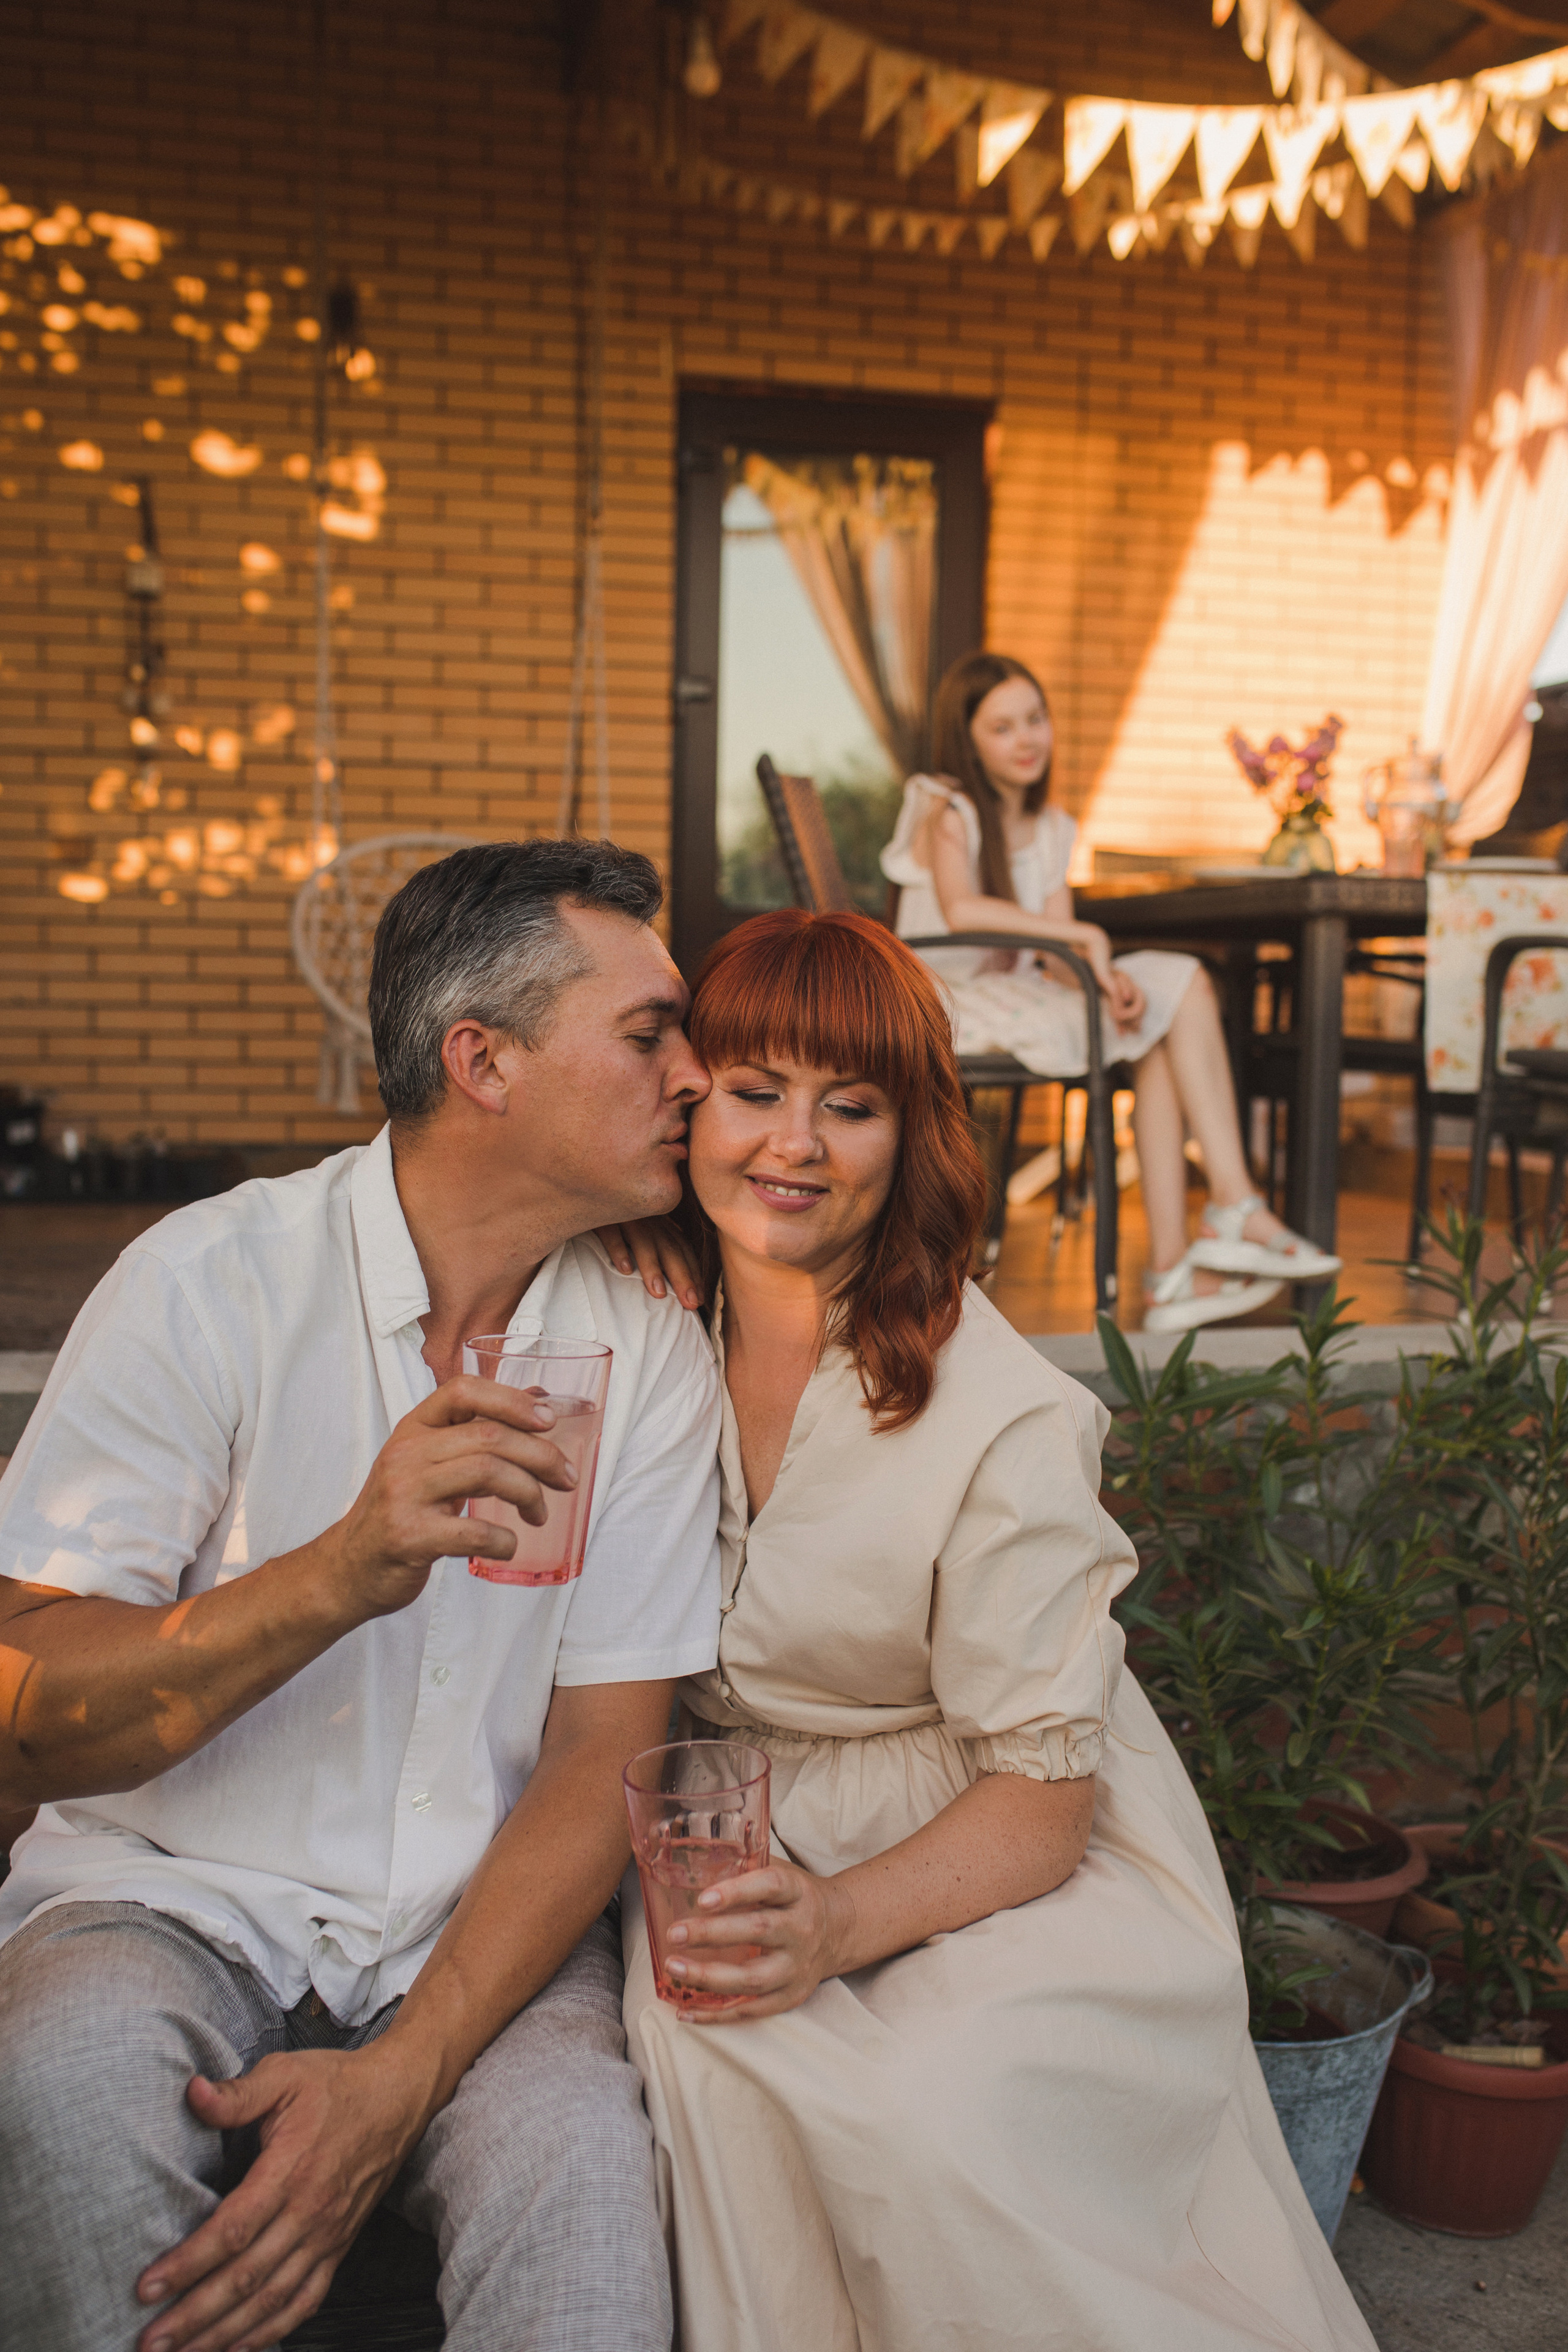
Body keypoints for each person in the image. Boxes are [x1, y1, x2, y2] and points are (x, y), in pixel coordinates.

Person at [0, 839, 723, 2352]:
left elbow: (607, 1749)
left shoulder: (646, 1340)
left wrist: (407, 2071)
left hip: (484, 1933)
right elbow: (28, 1705)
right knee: (61, 2086)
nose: (698, 1076)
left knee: (584, 2194)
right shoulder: (209, 1282)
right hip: (167, 1894)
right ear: (483, 1061)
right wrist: (340, 1571)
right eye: (650, 1034)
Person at [620, 908, 1377, 2352]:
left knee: (930, 2116)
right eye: (755, 1090)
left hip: (987, 1838)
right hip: (733, 1826)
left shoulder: (1001, 1413)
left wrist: (836, 1923)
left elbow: (1039, 1804)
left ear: (910, 1135)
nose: (793, 1143)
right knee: (689, 2061)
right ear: (688, 1103)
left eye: (850, 1105)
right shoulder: (643, 1318)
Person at [880, 648, 1340, 1331]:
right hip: (943, 999)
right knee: (1159, 1014)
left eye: (1035, 719)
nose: (1027, 739)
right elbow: (962, 909)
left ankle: (1200, 1236)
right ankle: (1203, 1240)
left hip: (1019, 992)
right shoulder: (947, 808)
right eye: (1002, 727)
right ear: (968, 741)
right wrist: (1087, 941)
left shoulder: (1050, 826)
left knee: (1172, 992)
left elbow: (1058, 953)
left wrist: (1103, 980)